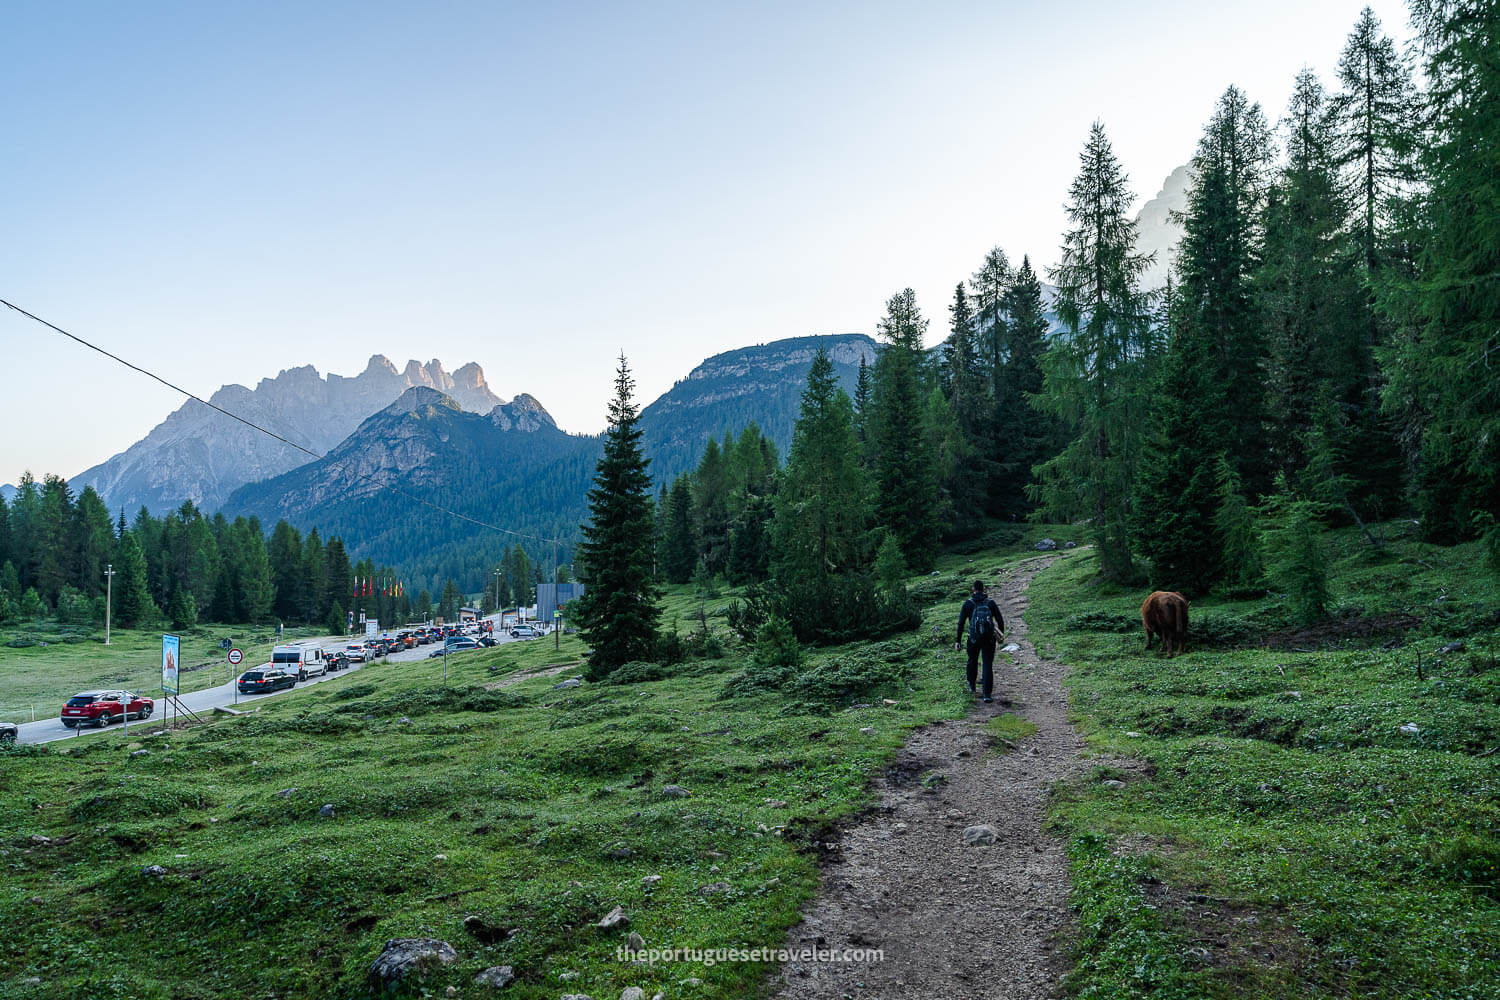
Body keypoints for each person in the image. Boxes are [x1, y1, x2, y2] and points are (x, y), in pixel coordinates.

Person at [954, 580, 1004, 703]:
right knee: (987, 664)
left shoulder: (967, 604)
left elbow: (961, 623)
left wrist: (958, 641)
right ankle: (987, 694)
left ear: (973, 589)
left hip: (973, 638)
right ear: (984, 589)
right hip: (989, 639)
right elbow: (1000, 620)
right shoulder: (990, 603)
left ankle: (972, 685)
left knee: (972, 660)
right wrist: (1000, 635)